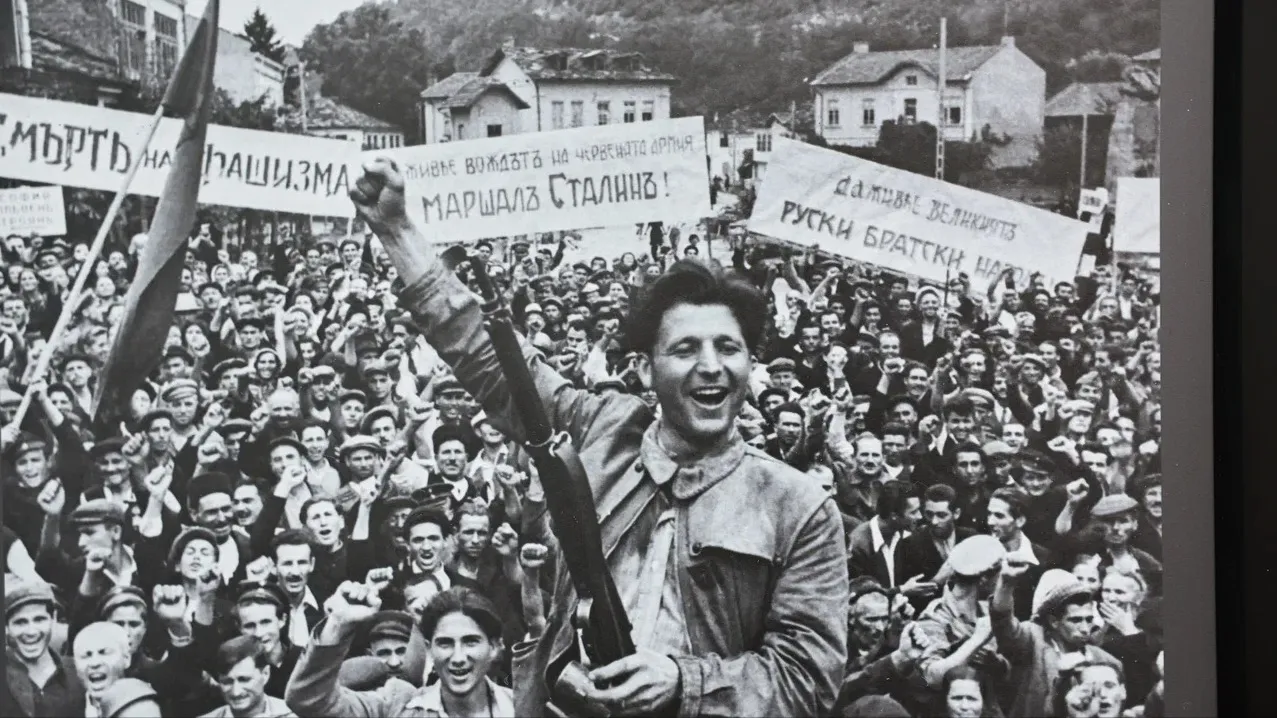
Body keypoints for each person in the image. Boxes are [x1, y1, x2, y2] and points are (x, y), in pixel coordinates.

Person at [346, 156, 849, 716]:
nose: (711, 366)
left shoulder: (798, 507)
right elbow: (487, 354)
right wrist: (396, 228)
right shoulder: (601, 429)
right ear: (643, 369)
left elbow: (808, 679)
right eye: (686, 349)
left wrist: (685, 683)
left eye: (727, 347)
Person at [285, 584, 515, 717]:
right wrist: (337, 625)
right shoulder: (398, 705)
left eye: (471, 642)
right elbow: (308, 700)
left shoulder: (520, 707)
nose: (457, 657)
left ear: (494, 647)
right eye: (445, 643)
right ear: (429, 650)